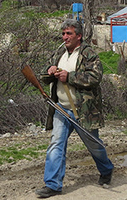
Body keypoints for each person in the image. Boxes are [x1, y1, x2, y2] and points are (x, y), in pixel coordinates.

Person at [36, 19, 114, 198]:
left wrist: (69, 76)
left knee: (94, 145)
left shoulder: (89, 54)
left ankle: (106, 169)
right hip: (61, 108)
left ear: (78, 36)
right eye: (63, 33)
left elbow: (95, 77)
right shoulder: (59, 53)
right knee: (56, 144)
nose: (65, 37)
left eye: (69, 33)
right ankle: (53, 184)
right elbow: (44, 74)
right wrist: (50, 72)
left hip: (83, 110)